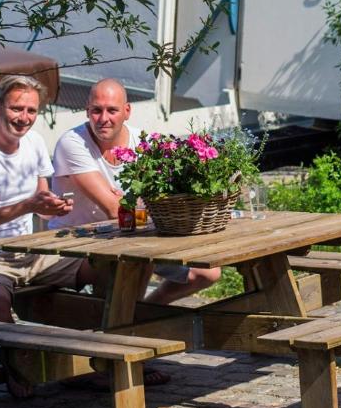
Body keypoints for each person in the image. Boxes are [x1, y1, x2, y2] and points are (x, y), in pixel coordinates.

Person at [0, 74, 99, 398]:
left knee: (103, 267)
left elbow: (41, 203)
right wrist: (26, 206)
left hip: (29, 252)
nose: (24, 118)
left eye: (31, 111)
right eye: (17, 108)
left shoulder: (33, 143)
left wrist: (54, 207)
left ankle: (101, 357)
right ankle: (17, 366)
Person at [50, 78, 222, 305]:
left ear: (127, 111)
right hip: (78, 242)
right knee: (136, 261)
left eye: (112, 110)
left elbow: (167, 200)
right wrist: (138, 202)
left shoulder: (144, 143)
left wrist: (134, 203)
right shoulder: (73, 143)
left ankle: (146, 311)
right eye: (96, 111)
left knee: (207, 272)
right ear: (87, 111)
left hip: (131, 235)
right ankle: (122, 323)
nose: (104, 119)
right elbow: (114, 209)